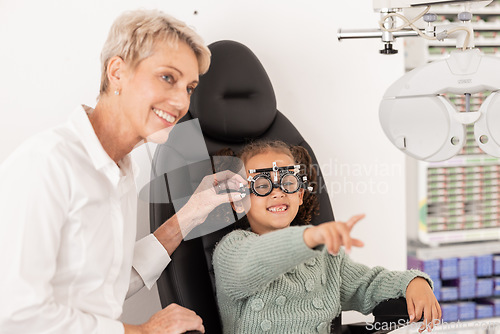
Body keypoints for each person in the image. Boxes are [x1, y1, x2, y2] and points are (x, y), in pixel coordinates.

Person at [0, 9, 245, 334]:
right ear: (117, 72)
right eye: (168, 78)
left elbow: (103, 287)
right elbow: (16, 313)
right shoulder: (47, 163)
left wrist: (193, 213)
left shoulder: (122, 171)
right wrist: (142, 332)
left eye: (189, 87)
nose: (180, 101)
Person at [213, 140, 441, 334]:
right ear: (239, 200)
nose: (277, 191)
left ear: (300, 194)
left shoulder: (326, 257)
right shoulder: (231, 250)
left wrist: (412, 282)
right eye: (262, 185)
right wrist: (310, 237)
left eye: (288, 182)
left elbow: (368, 284)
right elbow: (257, 260)